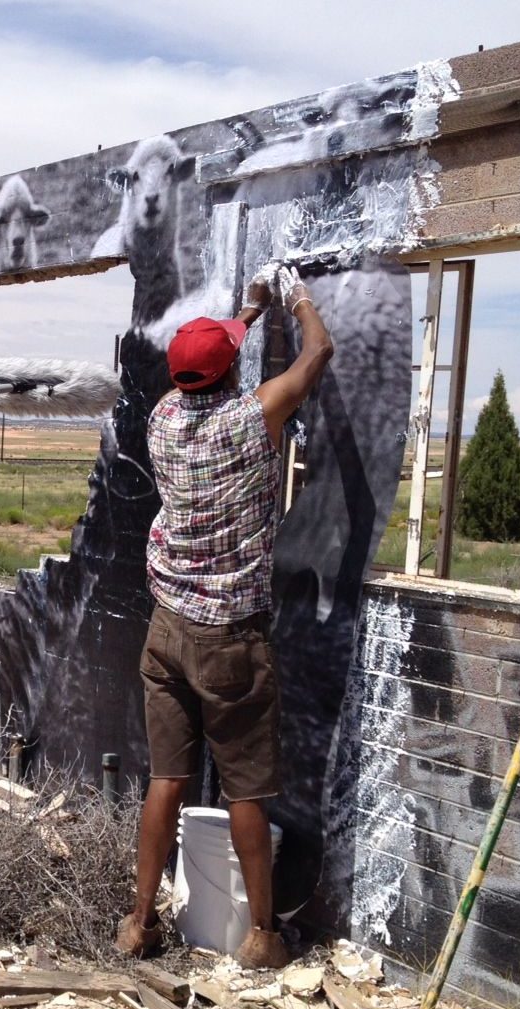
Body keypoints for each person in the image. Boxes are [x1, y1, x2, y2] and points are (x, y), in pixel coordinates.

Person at [117, 265, 334, 968]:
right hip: (229, 640)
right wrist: (298, 299)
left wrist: (249, 307)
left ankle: (138, 921)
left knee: (167, 780)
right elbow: (317, 357)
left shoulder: (162, 419)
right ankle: (263, 935)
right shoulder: (253, 417)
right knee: (246, 788)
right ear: (229, 375)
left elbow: (214, 359)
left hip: (166, 628)